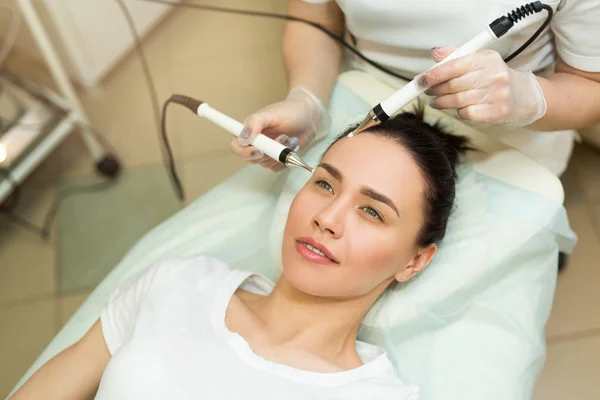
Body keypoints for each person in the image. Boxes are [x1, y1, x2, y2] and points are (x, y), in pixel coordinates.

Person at [10, 109, 472, 399]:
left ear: (415, 260)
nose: (328, 217)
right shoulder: (176, 284)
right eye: (325, 184)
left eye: (372, 212)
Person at [231, 0, 600, 178]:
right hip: (367, 106)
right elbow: (313, 16)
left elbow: (590, 85)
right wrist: (307, 98)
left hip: (510, 143)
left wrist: (526, 99)